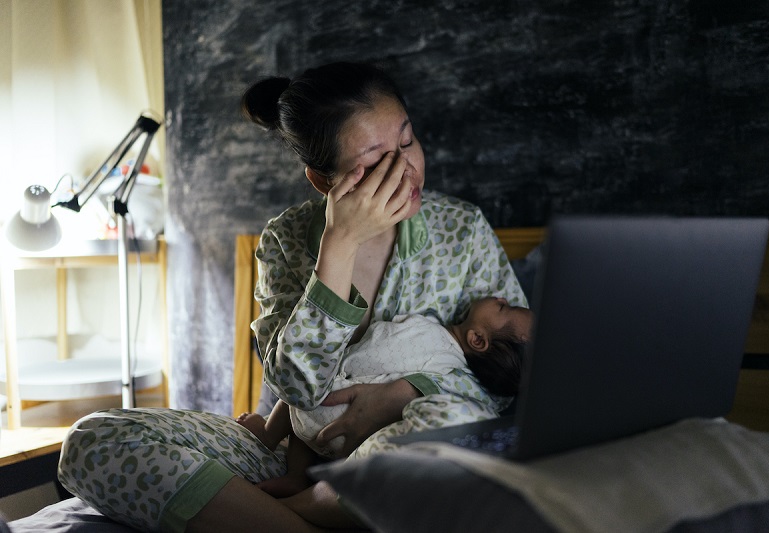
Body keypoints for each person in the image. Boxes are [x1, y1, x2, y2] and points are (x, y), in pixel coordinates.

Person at [57, 61, 526, 532]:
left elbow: (512, 384)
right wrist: (339, 248)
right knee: (93, 440)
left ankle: (282, 516)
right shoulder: (286, 240)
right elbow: (297, 387)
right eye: (375, 161)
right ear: (323, 181)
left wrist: (404, 393)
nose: (405, 169)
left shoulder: (462, 231)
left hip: (412, 450)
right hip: (297, 453)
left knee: (459, 427)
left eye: (407, 142)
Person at [238, 296, 534, 496]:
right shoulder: (455, 376)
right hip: (345, 444)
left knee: (306, 374)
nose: (502, 298)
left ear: (478, 340)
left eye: (504, 308)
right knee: (315, 394)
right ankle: (299, 476)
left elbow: (373, 346)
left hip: (324, 403)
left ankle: (267, 433)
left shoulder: (428, 334)